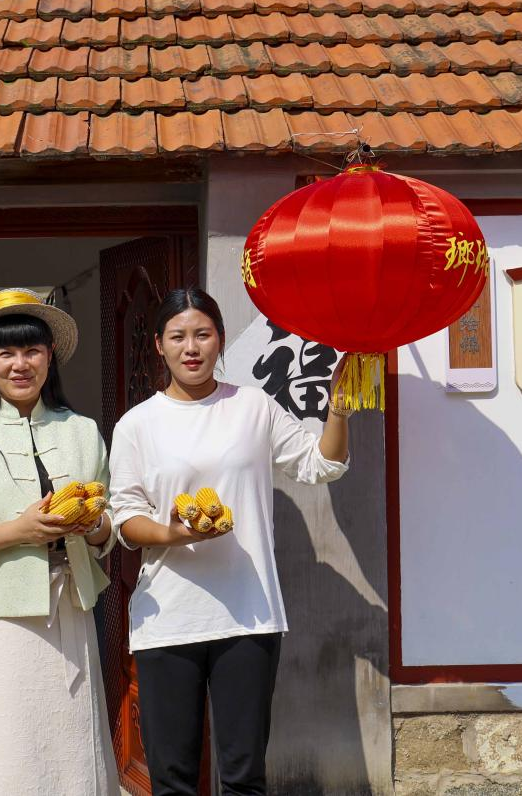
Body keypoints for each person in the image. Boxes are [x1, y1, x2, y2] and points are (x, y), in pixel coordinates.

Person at [110, 287, 352, 796]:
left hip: (249, 614)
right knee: (173, 780)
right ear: (158, 344)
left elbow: (321, 465)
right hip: (168, 617)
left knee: (244, 777)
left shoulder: (253, 407)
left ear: (220, 340)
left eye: (202, 334)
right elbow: (126, 519)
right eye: (178, 336)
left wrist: (338, 409)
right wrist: (173, 534)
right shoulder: (137, 424)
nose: (191, 347)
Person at [0, 288, 119, 796]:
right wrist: (19, 532)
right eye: (5, 352)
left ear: (50, 357)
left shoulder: (82, 431)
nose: (20, 364)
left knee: (72, 749)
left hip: (70, 609)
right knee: (4, 751)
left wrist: (92, 525)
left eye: (32, 351)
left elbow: (109, 525)